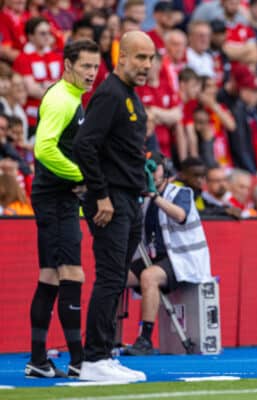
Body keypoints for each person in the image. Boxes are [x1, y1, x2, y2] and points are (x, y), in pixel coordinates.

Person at [73, 31, 155, 383]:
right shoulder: (109, 94)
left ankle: (105, 353)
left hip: (129, 198)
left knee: (117, 277)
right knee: (109, 277)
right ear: (121, 58)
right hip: (112, 200)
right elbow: (84, 145)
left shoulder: (129, 96)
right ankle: (93, 359)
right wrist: (101, 194)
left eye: (150, 59)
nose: (146, 66)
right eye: (139, 58)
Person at [25, 39, 100, 379]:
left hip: (59, 196)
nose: (91, 73)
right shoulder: (59, 100)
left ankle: (40, 360)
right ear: (68, 65)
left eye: (95, 67)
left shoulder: (71, 98)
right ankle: (79, 360)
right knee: (72, 274)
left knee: (51, 276)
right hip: (54, 198)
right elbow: (43, 149)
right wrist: (82, 175)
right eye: (85, 66)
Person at [124, 152, 211, 355]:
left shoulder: (181, 193)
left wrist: (155, 196)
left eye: (154, 168)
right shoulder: (143, 199)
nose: (150, 172)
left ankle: (145, 339)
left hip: (182, 259)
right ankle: (109, 337)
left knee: (149, 276)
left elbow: (180, 215)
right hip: (155, 257)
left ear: (166, 170)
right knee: (115, 276)